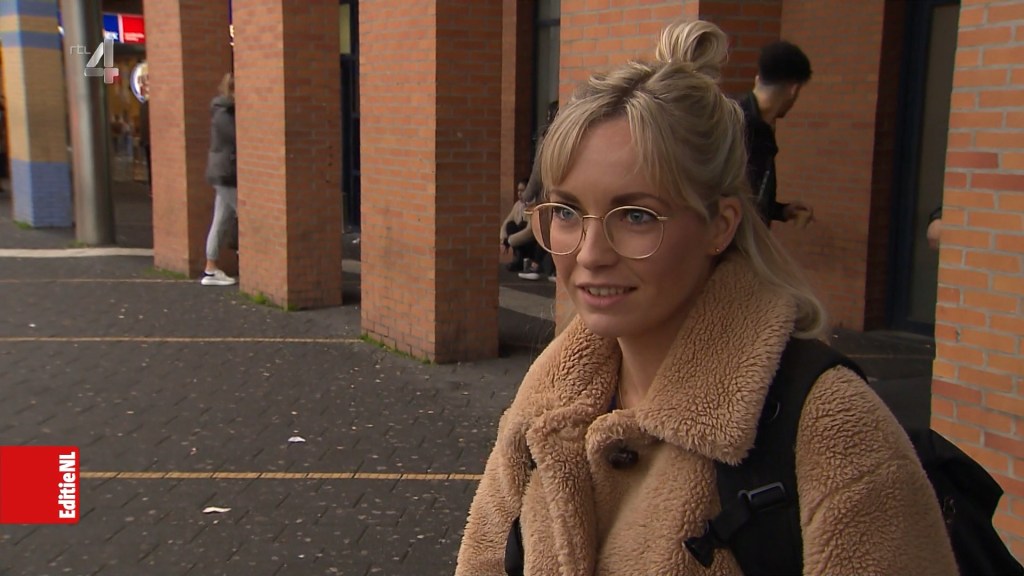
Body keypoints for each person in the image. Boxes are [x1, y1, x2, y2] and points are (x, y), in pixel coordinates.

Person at [456, 19, 956, 575]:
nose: (590, 253)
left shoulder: (833, 433)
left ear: (720, 224)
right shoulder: (550, 394)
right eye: (568, 212)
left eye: (636, 216)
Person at [734, 39, 814, 227]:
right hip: (734, 241)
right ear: (794, 89)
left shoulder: (759, 126)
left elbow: (753, 196)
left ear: (758, 79)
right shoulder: (739, 126)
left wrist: (781, 211)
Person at [201, 72, 238, 287]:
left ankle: (211, 268)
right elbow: (237, 137)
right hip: (226, 172)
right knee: (246, 215)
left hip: (223, 171)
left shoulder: (223, 110)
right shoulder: (224, 113)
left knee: (221, 219)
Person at [500, 179, 537, 272]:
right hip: (518, 241)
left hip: (532, 242)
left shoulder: (535, 206)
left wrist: (509, 241)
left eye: (522, 190)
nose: (519, 193)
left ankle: (524, 260)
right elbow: (506, 222)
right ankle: (519, 259)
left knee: (522, 225)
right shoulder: (518, 205)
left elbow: (530, 231)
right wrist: (503, 240)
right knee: (510, 225)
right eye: (518, 190)